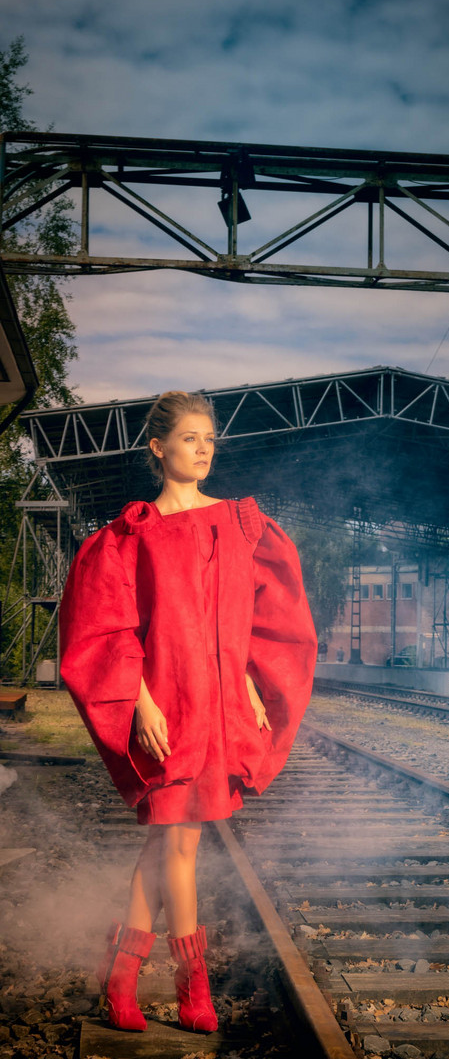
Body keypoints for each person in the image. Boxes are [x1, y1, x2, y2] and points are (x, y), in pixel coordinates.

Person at [59, 390, 317, 1034]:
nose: (203, 449)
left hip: (221, 707)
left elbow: (255, 619)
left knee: (166, 842)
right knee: (180, 842)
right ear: (158, 447)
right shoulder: (133, 534)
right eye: (190, 438)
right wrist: (139, 701)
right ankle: (190, 984)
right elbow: (114, 628)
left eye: (209, 439)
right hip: (166, 708)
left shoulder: (238, 524)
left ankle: (120, 976)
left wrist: (253, 689)